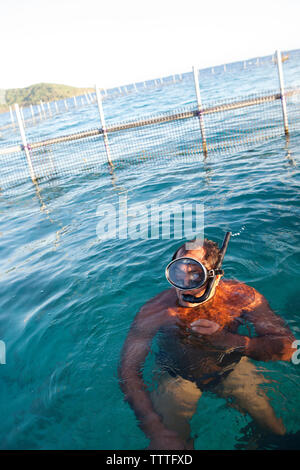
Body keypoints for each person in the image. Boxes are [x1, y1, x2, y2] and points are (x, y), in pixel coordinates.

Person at [118, 233, 295, 450]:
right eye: (177, 273)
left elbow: (288, 348)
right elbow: (128, 371)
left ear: (215, 276)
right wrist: (155, 429)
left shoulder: (241, 297)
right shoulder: (154, 312)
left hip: (231, 367)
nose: (183, 287)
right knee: (169, 447)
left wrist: (226, 339)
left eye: (194, 275)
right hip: (177, 377)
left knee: (275, 431)